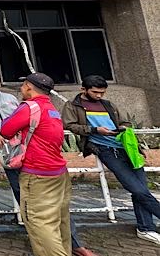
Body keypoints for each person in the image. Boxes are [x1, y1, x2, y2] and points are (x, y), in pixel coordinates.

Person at [0, 68, 102, 256]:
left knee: (38, 213)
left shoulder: (21, 103)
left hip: (33, 164)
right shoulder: (48, 108)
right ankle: (47, 249)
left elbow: (8, 128)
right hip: (23, 159)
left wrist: (9, 130)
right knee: (35, 205)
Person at [64, 74, 160, 246]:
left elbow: (125, 122)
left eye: (102, 92)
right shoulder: (73, 106)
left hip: (126, 147)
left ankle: (146, 227)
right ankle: (146, 227)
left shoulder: (108, 104)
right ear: (83, 90)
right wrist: (94, 130)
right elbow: (70, 125)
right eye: (95, 92)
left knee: (141, 188)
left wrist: (123, 129)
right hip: (105, 149)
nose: (99, 96)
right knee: (137, 189)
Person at [1, 73, 79, 256]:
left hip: (38, 172)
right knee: (59, 219)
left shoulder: (30, 107)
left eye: (23, 86)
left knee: (38, 219)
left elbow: (6, 129)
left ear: (28, 86)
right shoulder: (52, 108)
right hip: (58, 171)